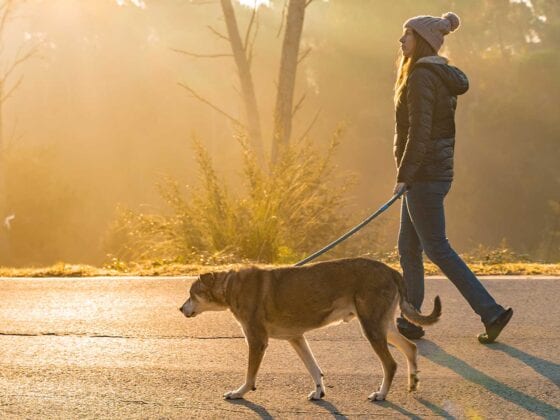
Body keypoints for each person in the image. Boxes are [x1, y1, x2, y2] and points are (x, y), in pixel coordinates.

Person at [392, 12, 512, 343]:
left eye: (407, 35)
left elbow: (420, 132)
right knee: (408, 247)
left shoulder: (421, 76)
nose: (401, 41)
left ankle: (491, 312)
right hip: (432, 172)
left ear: (423, 41)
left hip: (424, 175)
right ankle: (412, 319)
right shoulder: (436, 74)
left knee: (437, 249)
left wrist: (405, 175)